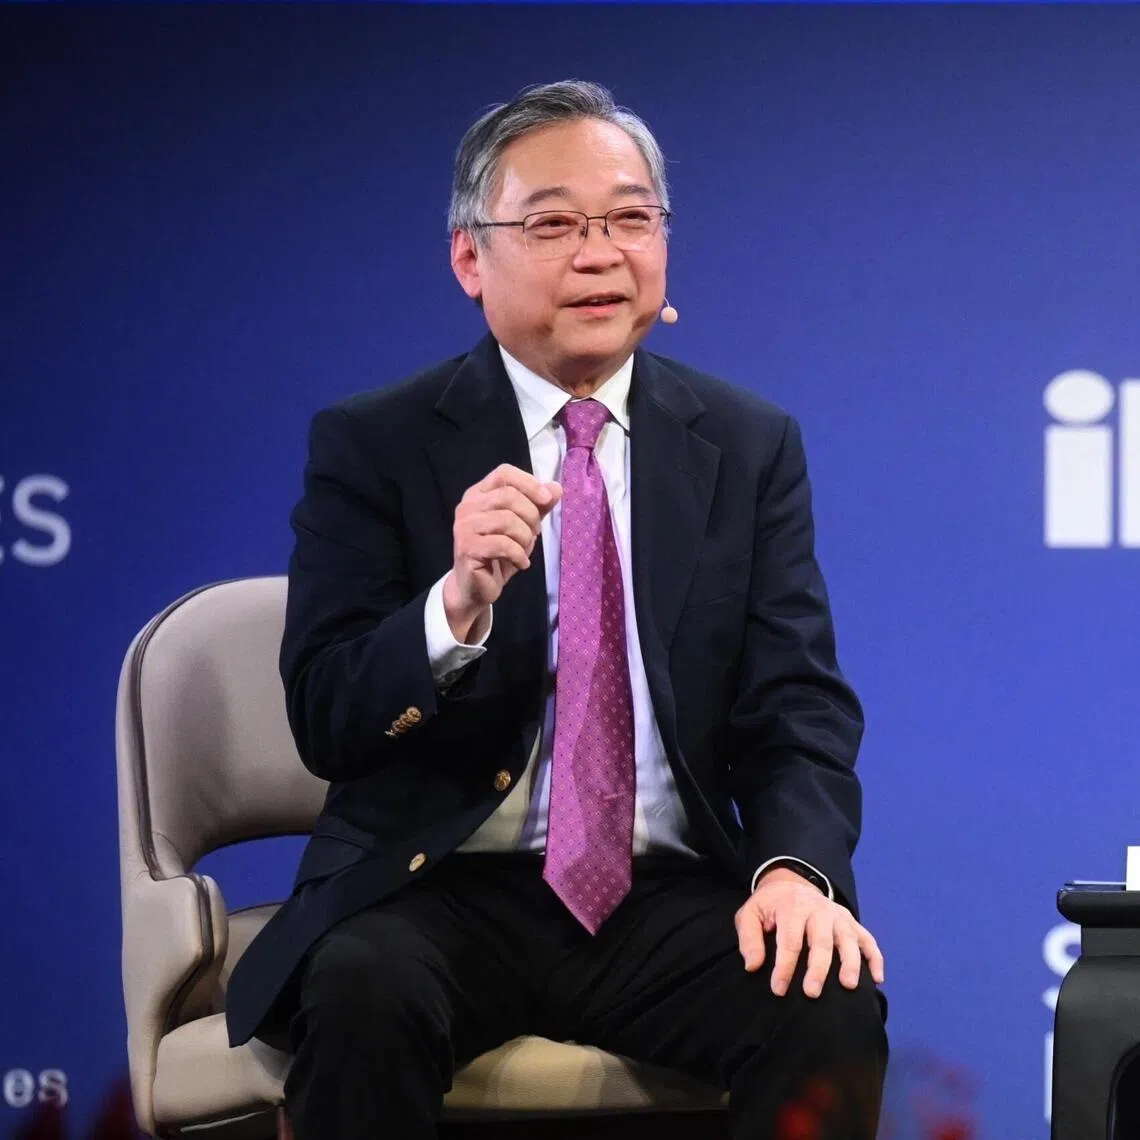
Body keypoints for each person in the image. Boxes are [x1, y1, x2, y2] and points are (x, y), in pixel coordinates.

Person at [226, 79, 888, 1139]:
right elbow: (326, 717)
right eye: (553, 226)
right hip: (435, 890)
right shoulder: (377, 442)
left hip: (663, 894)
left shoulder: (747, 443)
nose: (599, 254)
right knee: (364, 992)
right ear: (468, 258)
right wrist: (453, 608)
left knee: (824, 999)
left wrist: (796, 870)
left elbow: (796, 704)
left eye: (630, 219)